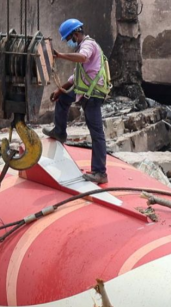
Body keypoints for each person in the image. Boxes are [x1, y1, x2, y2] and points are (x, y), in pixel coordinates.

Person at [43, 18, 112, 185]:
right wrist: (61, 89)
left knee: (96, 134)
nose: (69, 43)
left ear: (76, 34)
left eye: (69, 39)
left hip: (92, 94)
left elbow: (82, 58)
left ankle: (100, 172)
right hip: (84, 90)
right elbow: (77, 76)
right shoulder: (84, 46)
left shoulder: (88, 45)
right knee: (62, 99)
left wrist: (59, 55)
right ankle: (60, 131)